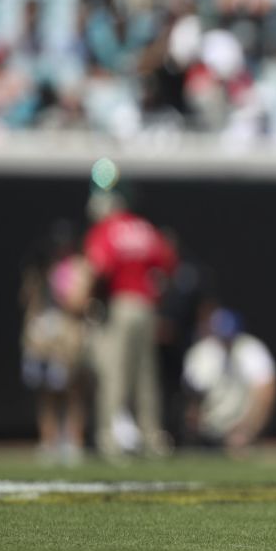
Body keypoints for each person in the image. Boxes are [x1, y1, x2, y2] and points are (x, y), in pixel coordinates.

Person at [84, 189, 178, 460]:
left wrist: (91, 300)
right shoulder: (143, 227)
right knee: (146, 377)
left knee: (115, 375)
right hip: (146, 306)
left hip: (121, 303)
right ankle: (153, 438)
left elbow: (99, 267)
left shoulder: (107, 229)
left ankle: (109, 438)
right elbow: (168, 263)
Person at [19, 222, 93, 465]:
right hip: (41, 339)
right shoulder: (41, 271)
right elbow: (27, 301)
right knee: (46, 392)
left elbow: (78, 302)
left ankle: (73, 440)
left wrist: (59, 287)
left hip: (68, 338)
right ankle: (48, 440)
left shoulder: (77, 267)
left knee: (72, 389)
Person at [182, 308, 276, 456]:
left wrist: (247, 430)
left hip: (242, 430)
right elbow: (192, 399)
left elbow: (267, 392)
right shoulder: (201, 353)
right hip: (209, 432)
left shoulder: (250, 349)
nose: (226, 343)